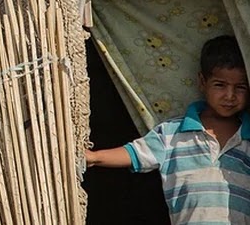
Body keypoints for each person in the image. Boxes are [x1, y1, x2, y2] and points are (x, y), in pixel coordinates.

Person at [85, 34, 250, 224]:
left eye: (241, 87)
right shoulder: (173, 133)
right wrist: (94, 157)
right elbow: (135, 153)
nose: (230, 96)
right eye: (220, 85)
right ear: (202, 82)